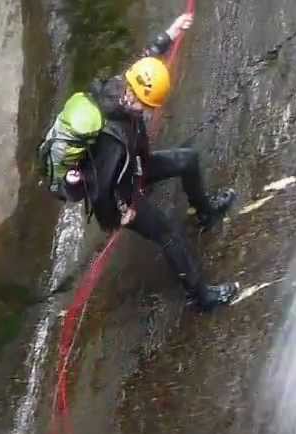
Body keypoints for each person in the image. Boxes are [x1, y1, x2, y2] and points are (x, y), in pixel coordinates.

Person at [66, 12, 240, 310]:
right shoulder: (112, 140)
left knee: (188, 159)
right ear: (135, 99)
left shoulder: (122, 86)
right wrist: (123, 213)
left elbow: (146, 60)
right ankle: (200, 297)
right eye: (146, 106)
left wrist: (171, 32)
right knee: (168, 233)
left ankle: (206, 212)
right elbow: (100, 189)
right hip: (122, 196)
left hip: (135, 168)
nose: (148, 111)